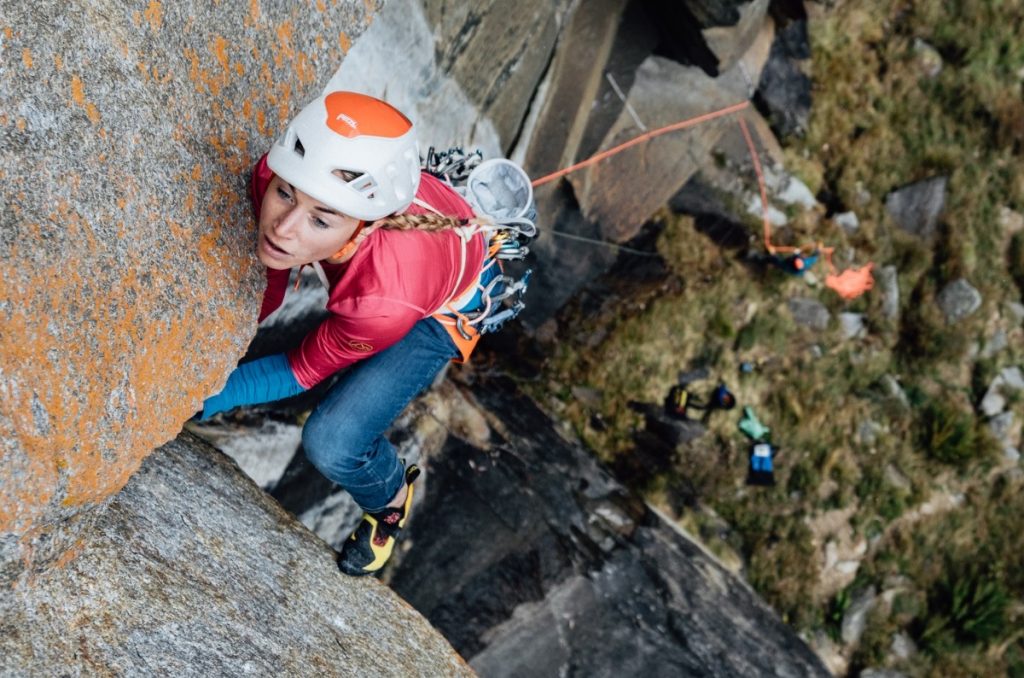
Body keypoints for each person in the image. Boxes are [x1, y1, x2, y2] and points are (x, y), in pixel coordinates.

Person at [198, 91, 497, 576]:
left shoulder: (383, 301)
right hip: (427, 232)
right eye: (284, 195)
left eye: (320, 218)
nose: (285, 227)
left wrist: (207, 395)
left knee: (333, 439)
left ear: (364, 227)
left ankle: (390, 499)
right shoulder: (282, 174)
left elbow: (303, 368)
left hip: (441, 305)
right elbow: (268, 273)